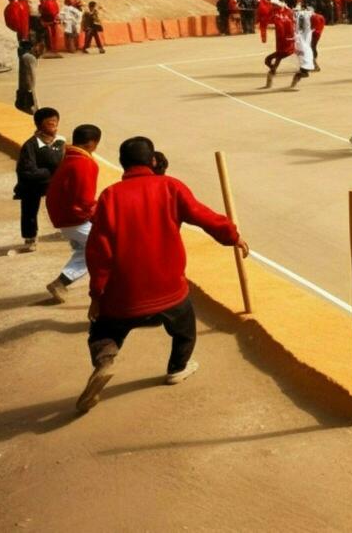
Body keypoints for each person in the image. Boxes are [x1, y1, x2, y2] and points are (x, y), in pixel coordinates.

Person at [77, 135, 248, 413]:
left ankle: (105, 359)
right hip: (169, 290)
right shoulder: (171, 187)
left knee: (103, 329)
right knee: (185, 328)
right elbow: (205, 216)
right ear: (153, 160)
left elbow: (99, 253)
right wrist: (233, 236)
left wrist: (97, 295)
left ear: (122, 163)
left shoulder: (109, 196)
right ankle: (177, 368)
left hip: (124, 293)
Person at [44, 124, 102, 302]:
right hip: (75, 218)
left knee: (88, 250)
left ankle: (61, 282)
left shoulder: (68, 156)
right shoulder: (85, 163)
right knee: (105, 248)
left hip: (62, 215)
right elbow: (84, 200)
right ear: (92, 143)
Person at [14, 107, 66, 252]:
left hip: (55, 182)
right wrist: (50, 173)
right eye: (50, 124)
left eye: (56, 123)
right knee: (29, 210)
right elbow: (27, 171)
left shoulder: (60, 142)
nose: (54, 127)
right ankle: (30, 237)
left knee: (64, 203)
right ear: (40, 126)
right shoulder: (30, 145)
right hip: (33, 184)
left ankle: (66, 229)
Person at [263, 1, 296, 86]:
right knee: (274, 60)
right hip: (286, 46)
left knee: (268, 60)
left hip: (284, 48)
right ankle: (272, 72)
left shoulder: (282, 18)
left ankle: (272, 73)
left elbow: (277, 25)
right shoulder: (286, 17)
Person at [289, 3, 318, 87]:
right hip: (302, 42)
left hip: (301, 42)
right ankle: (294, 81)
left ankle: (294, 82)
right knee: (305, 72)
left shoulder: (300, 17)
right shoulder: (302, 17)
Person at [16, 40, 38, 113]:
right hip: (28, 83)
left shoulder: (24, 57)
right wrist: (33, 85)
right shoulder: (29, 57)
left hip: (24, 83)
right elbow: (33, 73)